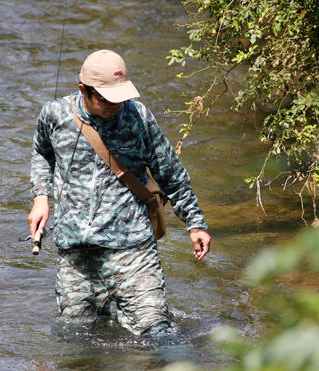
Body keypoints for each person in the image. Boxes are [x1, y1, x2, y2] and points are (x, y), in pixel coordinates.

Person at [28, 49, 211, 336]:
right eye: (106, 98)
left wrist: (195, 222)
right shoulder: (55, 114)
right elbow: (42, 152)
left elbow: (170, 172)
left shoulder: (138, 117)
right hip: (76, 254)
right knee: (80, 342)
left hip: (132, 249)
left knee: (160, 335)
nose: (116, 104)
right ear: (83, 91)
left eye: (121, 95)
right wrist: (41, 196)